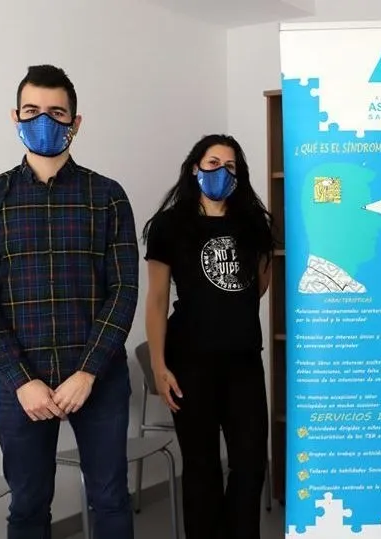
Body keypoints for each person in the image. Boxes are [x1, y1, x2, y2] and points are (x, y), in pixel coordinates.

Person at [0, 65, 139, 538]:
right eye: (33, 111)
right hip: (21, 385)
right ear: (15, 117)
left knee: (111, 500)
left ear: (76, 122)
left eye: (57, 113)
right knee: (28, 507)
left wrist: (88, 372)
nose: (45, 121)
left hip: (96, 378)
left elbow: (123, 291)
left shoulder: (108, 197)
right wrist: (22, 381)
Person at [142, 134, 276, 539]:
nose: (221, 171)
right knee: (200, 467)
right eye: (213, 162)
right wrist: (159, 365)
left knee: (251, 463)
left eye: (231, 166)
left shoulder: (253, 223)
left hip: (243, 361)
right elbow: (157, 300)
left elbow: (259, 285)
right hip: (190, 362)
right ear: (195, 168)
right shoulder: (170, 225)